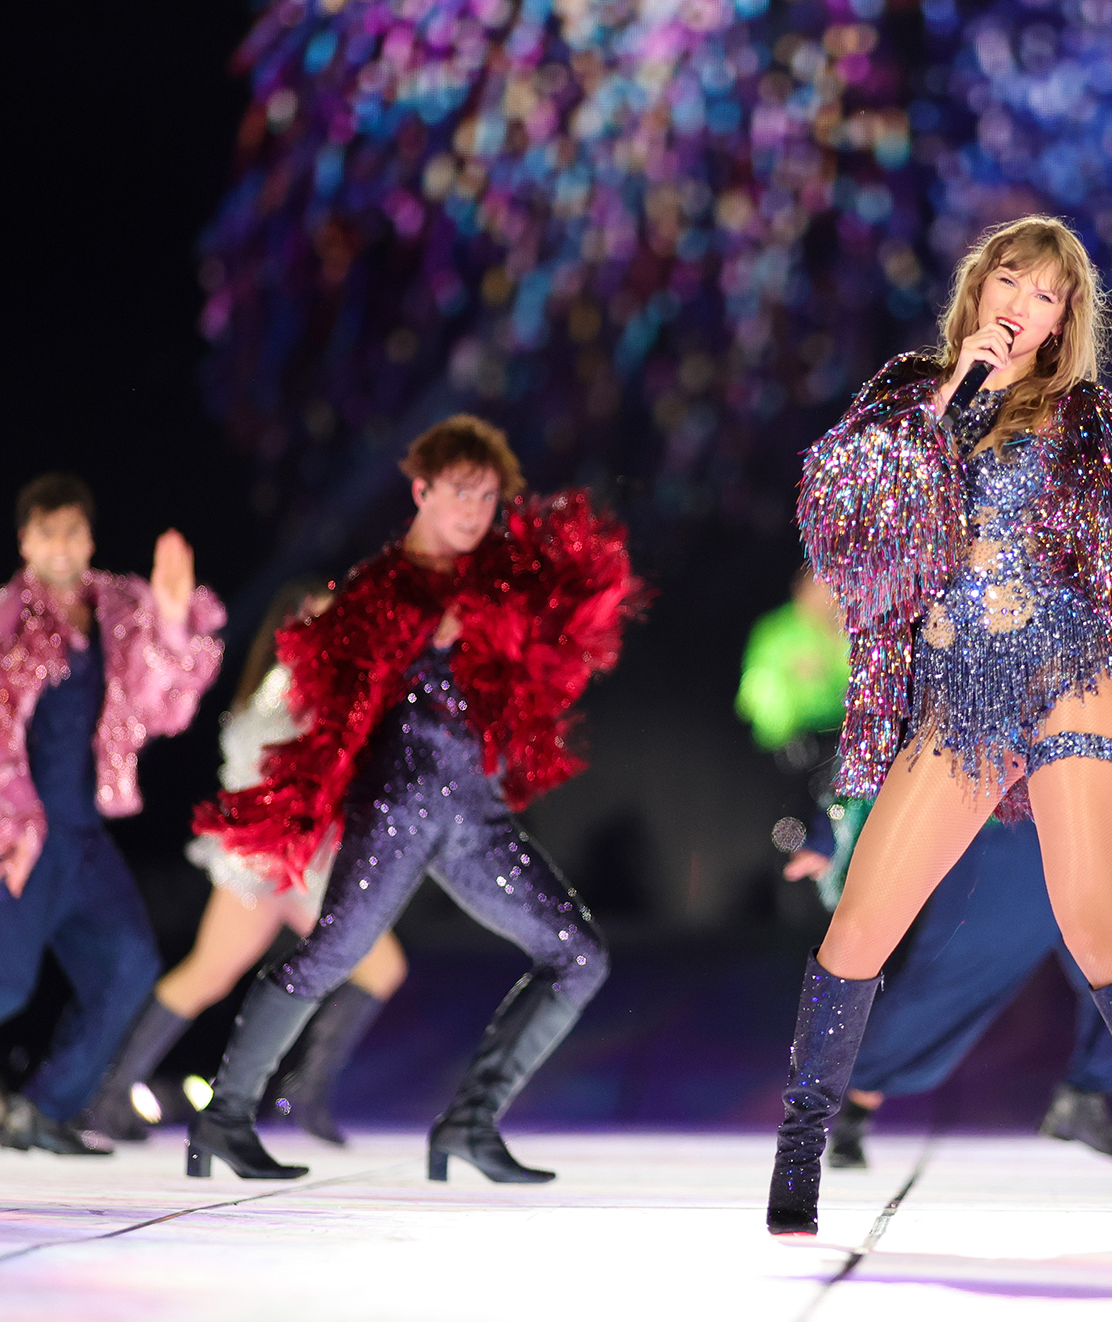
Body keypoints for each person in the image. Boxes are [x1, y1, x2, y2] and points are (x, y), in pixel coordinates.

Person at [771, 215, 1112, 1239]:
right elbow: (851, 521)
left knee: (1093, 922)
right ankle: (803, 1148)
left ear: (1064, 319)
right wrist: (955, 397)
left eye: (1044, 292)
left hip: (1072, 672)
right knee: (860, 921)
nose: (1019, 301)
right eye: (1008, 278)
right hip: (958, 690)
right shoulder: (912, 394)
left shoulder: (1097, 425)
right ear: (978, 289)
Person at [186, 416, 639, 1182]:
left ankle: (468, 1122)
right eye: (460, 493)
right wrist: (423, 633)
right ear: (422, 490)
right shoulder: (378, 588)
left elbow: (559, 631)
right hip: (395, 811)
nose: (474, 511)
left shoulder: (495, 577)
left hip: (478, 818)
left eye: (488, 497)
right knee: (332, 953)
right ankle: (225, 1117)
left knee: (579, 955)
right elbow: (332, 691)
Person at [80, 579, 408, 1145]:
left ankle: (303, 1093)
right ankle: (111, 1096)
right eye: (321, 620)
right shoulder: (287, 684)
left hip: (306, 866)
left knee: (377, 968)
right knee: (209, 973)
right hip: (269, 864)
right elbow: (249, 762)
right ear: (295, 622)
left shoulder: (330, 686)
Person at [0, 473, 224, 1155]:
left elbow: (163, 708)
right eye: (46, 531)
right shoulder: (7, 617)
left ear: (89, 537)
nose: (61, 545)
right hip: (18, 838)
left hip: (84, 839)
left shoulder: (120, 610)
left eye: (72, 530)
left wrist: (174, 615)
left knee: (130, 964)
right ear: (25, 540)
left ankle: (43, 1108)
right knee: (6, 985)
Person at [785, 810, 1112, 1167]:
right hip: (1006, 833)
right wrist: (828, 833)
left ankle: (1083, 1098)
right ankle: (852, 1105)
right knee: (949, 987)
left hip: (1087, 829)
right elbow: (882, 735)